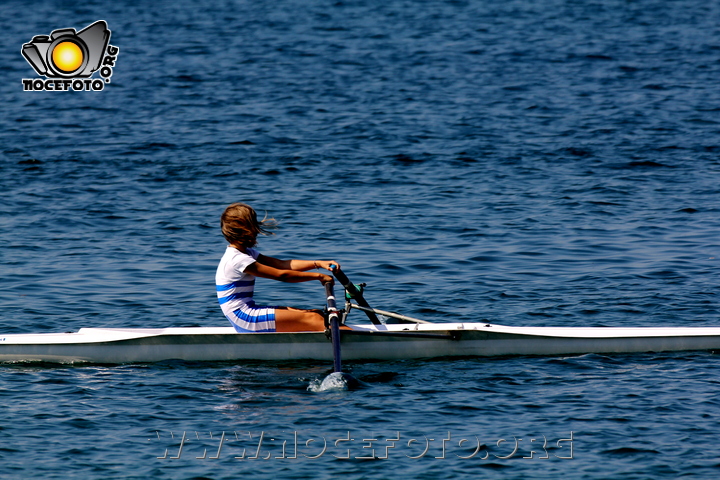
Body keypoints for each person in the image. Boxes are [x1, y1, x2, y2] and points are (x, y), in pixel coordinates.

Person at [215, 203, 338, 333]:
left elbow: (282, 265)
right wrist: (318, 276)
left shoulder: (246, 253)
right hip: (244, 318)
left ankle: (340, 335)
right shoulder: (238, 259)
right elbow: (281, 275)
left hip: (246, 312)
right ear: (243, 229)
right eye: (253, 226)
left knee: (317, 313)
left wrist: (318, 263)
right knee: (314, 318)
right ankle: (352, 341)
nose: (257, 231)